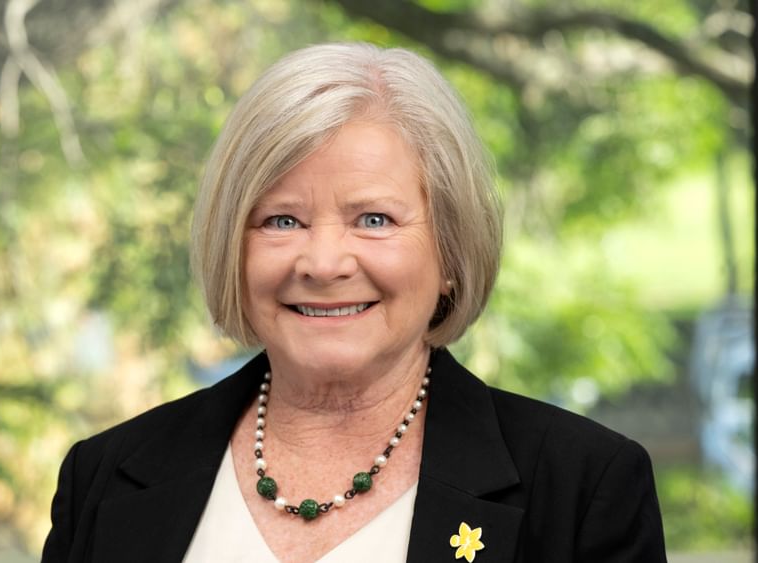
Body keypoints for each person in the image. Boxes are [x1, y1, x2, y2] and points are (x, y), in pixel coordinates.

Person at [42, 43, 666, 563]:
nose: (323, 262)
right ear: (232, 246)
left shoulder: (584, 489)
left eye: (373, 218)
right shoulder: (103, 478)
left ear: (450, 251)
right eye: (281, 221)